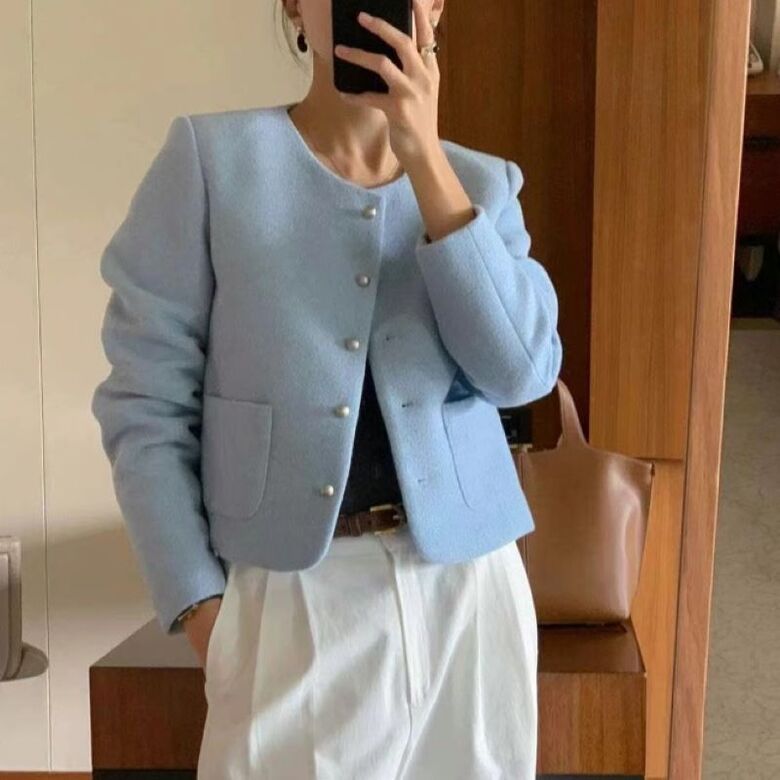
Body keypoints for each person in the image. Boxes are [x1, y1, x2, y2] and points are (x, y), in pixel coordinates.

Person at [91, 0, 563, 776]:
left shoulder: (481, 184)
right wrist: (200, 607)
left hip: (470, 593)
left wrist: (427, 162)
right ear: (294, 6)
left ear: (434, 8)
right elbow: (144, 402)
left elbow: (521, 372)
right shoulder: (211, 163)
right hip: (293, 600)